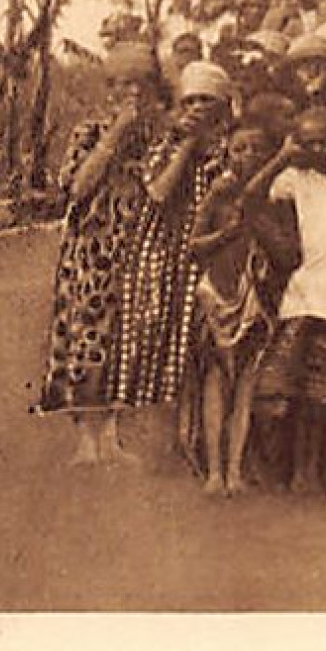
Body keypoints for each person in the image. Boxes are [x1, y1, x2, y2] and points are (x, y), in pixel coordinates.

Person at [34, 43, 168, 465]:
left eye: (138, 83)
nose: (129, 92)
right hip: (92, 251)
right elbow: (75, 186)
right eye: (120, 83)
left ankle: (110, 436)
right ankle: (85, 442)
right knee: (83, 338)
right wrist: (114, 136)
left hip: (138, 247)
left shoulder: (160, 135)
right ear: (109, 88)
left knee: (122, 341)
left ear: (150, 87)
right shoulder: (91, 130)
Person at [252, 108, 326, 495]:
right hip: (302, 297)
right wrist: (285, 155)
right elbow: (252, 194)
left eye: (325, 142)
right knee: (278, 386)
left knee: (322, 394)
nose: (317, 150)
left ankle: (309, 471)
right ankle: (275, 468)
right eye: (309, 143)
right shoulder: (296, 180)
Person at [113, 61, 235, 432]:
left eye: (206, 100)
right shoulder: (166, 145)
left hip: (211, 255)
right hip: (163, 256)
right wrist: (185, 147)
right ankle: (154, 436)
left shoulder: (230, 149)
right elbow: (160, 191)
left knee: (206, 351)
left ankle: (197, 438)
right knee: (154, 343)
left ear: (223, 106)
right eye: (191, 100)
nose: (197, 108)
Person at [186, 121, 279, 494]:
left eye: (257, 149)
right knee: (214, 382)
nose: (249, 156)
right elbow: (194, 244)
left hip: (252, 299)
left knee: (245, 385)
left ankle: (235, 471)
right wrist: (227, 230)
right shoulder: (218, 196)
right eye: (240, 149)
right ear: (227, 153)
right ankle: (213, 472)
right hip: (216, 296)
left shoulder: (273, 197)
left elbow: (284, 250)